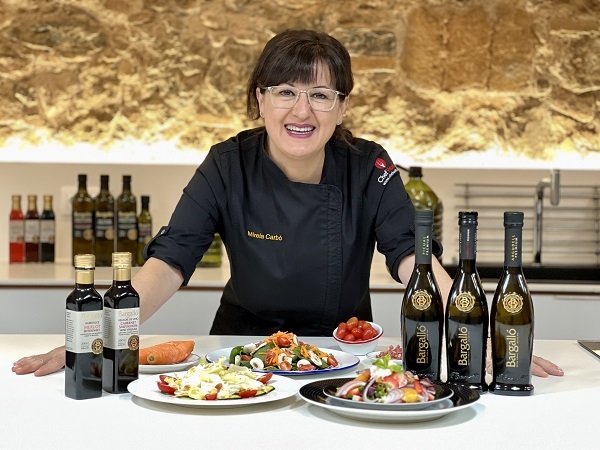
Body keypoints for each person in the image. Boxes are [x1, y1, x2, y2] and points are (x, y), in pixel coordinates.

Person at [12, 29, 563, 379]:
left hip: (344, 358)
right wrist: (101, 332)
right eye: (285, 92)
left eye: (321, 95)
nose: (302, 111)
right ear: (260, 99)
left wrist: (475, 332)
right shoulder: (226, 164)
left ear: (342, 107)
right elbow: (170, 261)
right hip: (240, 357)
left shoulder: (369, 166)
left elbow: (412, 258)